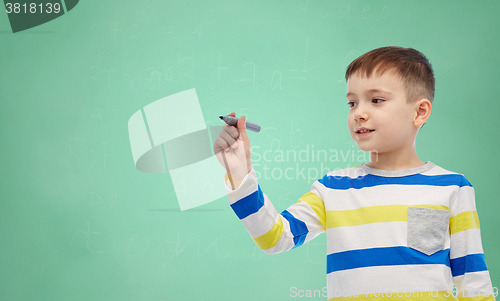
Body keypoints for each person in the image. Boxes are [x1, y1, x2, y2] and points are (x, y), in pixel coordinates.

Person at [213, 46, 495, 300]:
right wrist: (239, 172)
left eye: (376, 100)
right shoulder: (333, 189)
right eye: (352, 103)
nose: (359, 113)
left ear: (420, 112)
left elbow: (474, 285)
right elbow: (275, 238)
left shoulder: (453, 188)